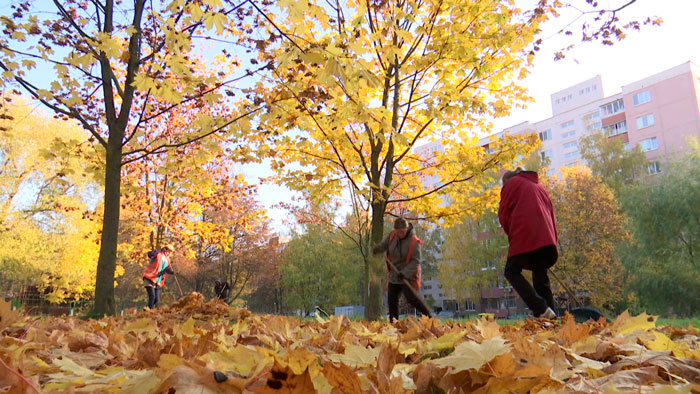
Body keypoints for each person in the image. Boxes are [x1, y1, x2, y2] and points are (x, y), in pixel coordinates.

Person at [498, 168, 558, 319]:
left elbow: (504, 215)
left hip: (525, 231)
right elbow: (550, 212)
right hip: (545, 235)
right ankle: (551, 319)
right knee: (540, 278)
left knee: (511, 271)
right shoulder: (539, 187)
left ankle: (540, 308)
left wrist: (512, 236)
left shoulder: (511, 185)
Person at [373, 217, 432, 321]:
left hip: (409, 275)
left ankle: (430, 318)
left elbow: (416, 261)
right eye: (398, 232)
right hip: (394, 274)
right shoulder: (392, 236)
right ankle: (394, 322)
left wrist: (404, 273)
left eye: (403, 231)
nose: (400, 234)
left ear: (407, 229)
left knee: (412, 299)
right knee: (392, 300)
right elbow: (385, 245)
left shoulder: (414, 241)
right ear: (395, 230)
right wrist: (378, 249)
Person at [142, 244, 175, 309]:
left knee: (156, 299)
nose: (169, 253)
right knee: (152, 297)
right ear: (165, 249)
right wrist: (155, 252)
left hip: (158, 281)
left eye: (170, 252)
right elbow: (150, 254)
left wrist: (171, 272)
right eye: (169, 251)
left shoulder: (167, 259)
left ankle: (147, 308)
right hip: (149, 277)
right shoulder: (158, 254)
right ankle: (150, 312)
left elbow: (167, 269)